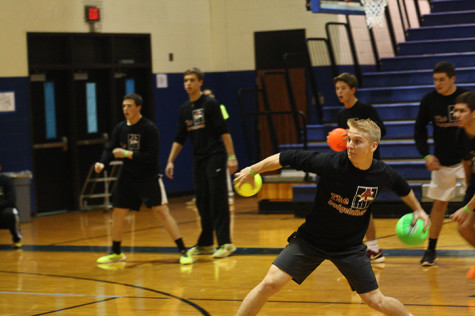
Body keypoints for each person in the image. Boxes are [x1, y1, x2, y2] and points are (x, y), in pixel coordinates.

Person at [234, 118, 429, 316]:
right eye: (349, 140)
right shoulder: (330, 164)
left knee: (375, 300)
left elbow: (402, 186)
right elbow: (287, 156)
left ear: (373, 146)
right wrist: (252, 170)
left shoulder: (381, 173)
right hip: (311, 241)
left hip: (349, 247)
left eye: (357, 141)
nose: (350, 146)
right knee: (269, 283)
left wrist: (418, 209)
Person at [95, 93, 194, 265]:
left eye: (129, 106)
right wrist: (102, 163)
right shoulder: (120, 128)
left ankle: (183, 251)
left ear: (138, 107)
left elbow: (150, 156)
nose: (125, 109)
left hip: (148, 176)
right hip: (128, 177)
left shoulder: (149, 128)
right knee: (118, 212)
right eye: (124, 106)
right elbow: (110, 148)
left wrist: (127, 153)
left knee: (162, 212)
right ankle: (116, 251)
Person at [166, 68, 238, 258]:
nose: (188, 84)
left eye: (191, 80)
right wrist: (170, 160)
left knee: (217, 199)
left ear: (200, 82)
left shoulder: (211, 104)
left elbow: (224, 132)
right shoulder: (184, 109)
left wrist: (231, 157)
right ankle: (205, 243)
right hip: (199, 159)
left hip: (215, 156)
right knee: (202, 201)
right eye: (185, 81)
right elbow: (179, 137)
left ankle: (225, 243)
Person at [414, 61, 470, 266]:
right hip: (442, 161)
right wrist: (425, 155)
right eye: (435, 80)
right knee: (438, 205)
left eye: (442, 80)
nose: (438, 83)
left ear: (452, 79)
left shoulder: (465, 98)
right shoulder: (429, 100)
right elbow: (419, 129)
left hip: (468, 160)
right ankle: (430, 250)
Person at [334, 72, 387, 263]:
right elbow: (345, 144)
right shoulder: (341, 114)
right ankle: (361, 248)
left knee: (361, 207)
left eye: (343, 88)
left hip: (368, 166)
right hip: (350, 165)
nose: (339, 92)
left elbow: (382, 131)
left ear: (353, 90)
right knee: (351, 208)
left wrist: (361, 136)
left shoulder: (365, 109)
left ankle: (373, 249)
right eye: (337, 88)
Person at [450, 91, 475, 279]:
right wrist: (468, 189)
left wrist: (467, 208)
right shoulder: (460, 135)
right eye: (455, 110)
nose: (456, 114)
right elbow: (467, 163)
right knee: (464, 227)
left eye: (461, 111)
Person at [0, 163, 22, 249]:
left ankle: (17, 239)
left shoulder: (6, 180)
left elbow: (11, 201)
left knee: (12, 213)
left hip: (4, 209)